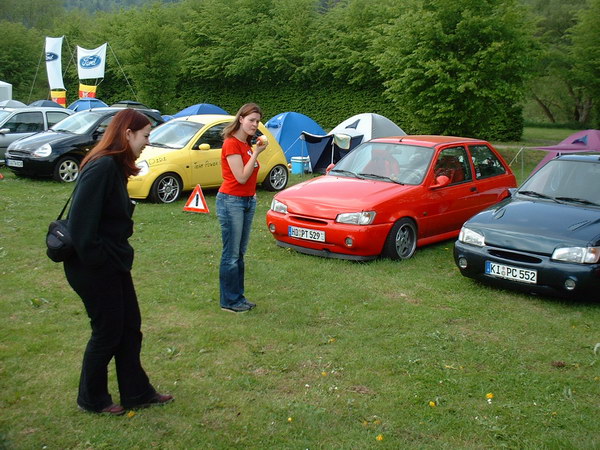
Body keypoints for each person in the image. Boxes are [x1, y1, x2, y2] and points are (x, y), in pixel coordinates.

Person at [64, 109, 173, 415]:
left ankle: (137, 392)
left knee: (129, 328)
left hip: (112, 263)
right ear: (128, 134)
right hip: (94, 267)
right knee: (108, 332)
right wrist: (103, 263)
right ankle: (92, 399)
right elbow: (82, 230)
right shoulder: (101, 167)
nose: (148, 142)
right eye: (146, 135)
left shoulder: (114, 166)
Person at [216, 103, 267, 313]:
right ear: (240, 119)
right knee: (231, 254)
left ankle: (238, 297)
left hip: (246, 201)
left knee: (240, 253)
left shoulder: (246, 144)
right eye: (251, 120)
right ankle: (229, 301)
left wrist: (254, 150)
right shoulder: (232, 144)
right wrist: (256, 154)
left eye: (257, 121)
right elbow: (241, 176)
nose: (255, 125)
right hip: (231, 201)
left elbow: (249, 179)